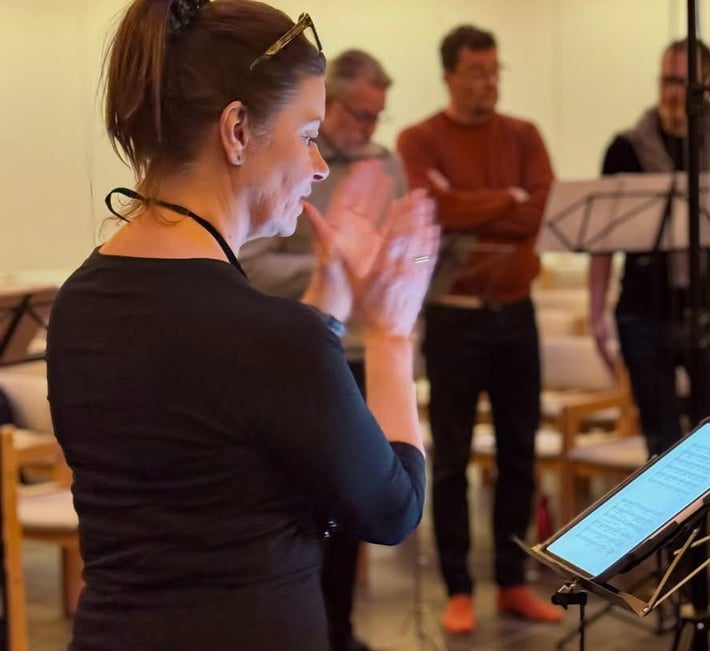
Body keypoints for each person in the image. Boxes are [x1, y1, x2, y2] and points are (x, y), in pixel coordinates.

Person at [45, 2, 439, 650]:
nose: (319, 165)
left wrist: (331, 292)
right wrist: (392, 333)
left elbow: (233, 422)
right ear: (236, 130)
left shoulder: (80, 301)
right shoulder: (269, 337)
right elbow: (392, 508)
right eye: (307, 134)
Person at [396, 24, 564, 634]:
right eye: (476, 73)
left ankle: (513, 581)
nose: (489, 83)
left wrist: (477, 204)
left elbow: (540, 210)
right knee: (452, 458)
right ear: (449, 76)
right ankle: (459, 587)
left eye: (495, 72)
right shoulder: (419, 140)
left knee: (519, 453)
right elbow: (433, 212)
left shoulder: (524, 135)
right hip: (454, 318)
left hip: (516, 313)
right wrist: (504, 199)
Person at [238, 48, 404, 651]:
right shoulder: (286, 159)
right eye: (359, 114)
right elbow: (252, 264)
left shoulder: (386, 164)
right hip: (303, 346)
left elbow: (403, 247)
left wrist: (402, 264)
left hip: (361, 349)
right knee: (306, 509)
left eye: (377, 116)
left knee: (356, 501)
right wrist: (334, 268)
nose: (369, 127)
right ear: (330, 104)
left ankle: (340, 628)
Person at [589, 38, 710, 589]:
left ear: (704, 89)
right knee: (664, 453)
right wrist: (596, 314)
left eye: (682, 84)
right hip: (642, 317)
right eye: (665, 80)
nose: (670, 93)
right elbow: (602, 240)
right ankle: (682, 579)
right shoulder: (627, 147)